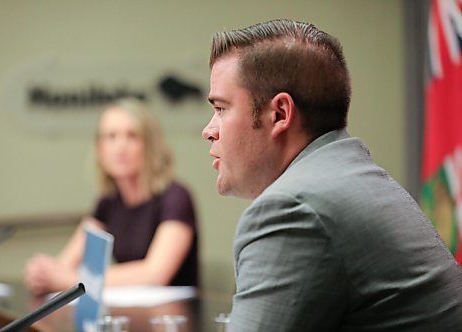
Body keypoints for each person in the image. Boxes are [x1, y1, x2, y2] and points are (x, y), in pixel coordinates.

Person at [202, 19, 462, 331]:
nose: (209, 131)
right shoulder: (352, 177)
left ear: (280, 114)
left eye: (221, 108)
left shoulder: (294, 210)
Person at [25, 98, 199, 295]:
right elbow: (64, 263)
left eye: (132, 136)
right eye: (111, 136)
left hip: (174, 319)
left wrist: (72, 280)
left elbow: (156, 274)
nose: (120, 146)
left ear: (150, 145)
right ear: (100, 149)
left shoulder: (176, 197)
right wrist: (43, 273)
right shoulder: (108, 202)